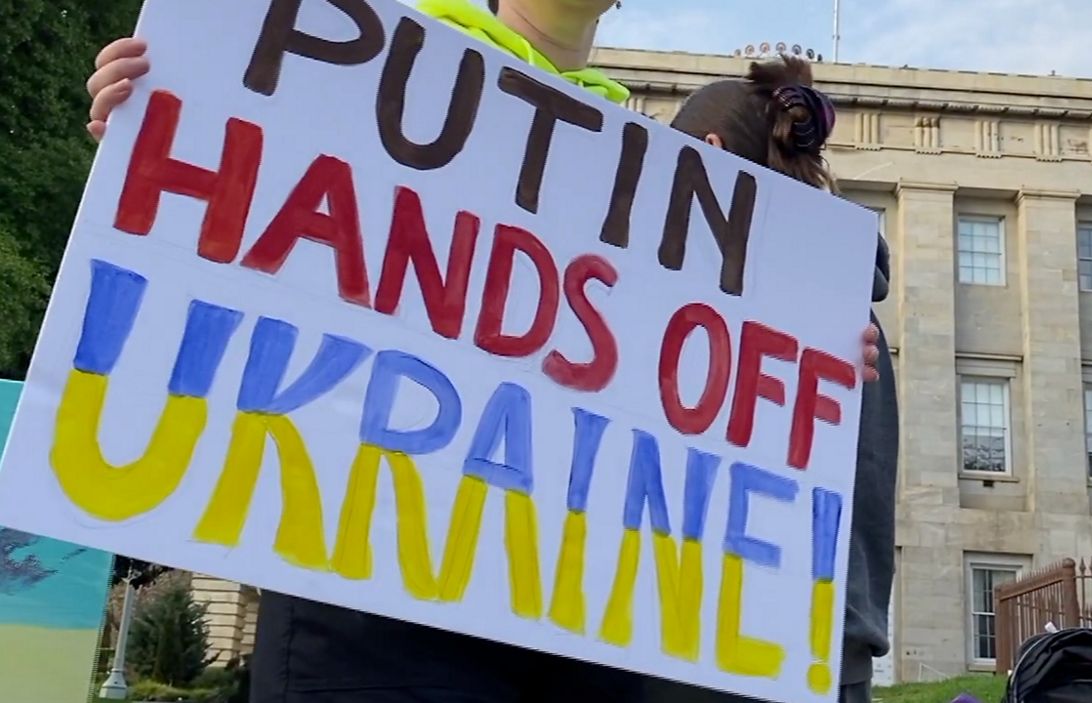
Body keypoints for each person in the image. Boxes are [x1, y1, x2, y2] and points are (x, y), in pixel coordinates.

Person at [83, 2, 886, 701]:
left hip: (567, 630)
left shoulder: (633, 162)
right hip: (371, 617)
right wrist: (166, 115)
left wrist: (799, 357)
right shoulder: (370, 67)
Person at [659, 57, 900, 703]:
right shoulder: (841, 301)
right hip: (822, 650)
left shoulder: (734, 305)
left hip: (719, 646)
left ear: (707, 156)